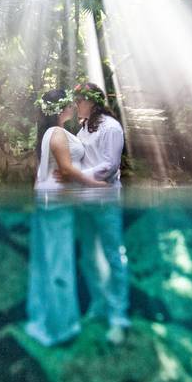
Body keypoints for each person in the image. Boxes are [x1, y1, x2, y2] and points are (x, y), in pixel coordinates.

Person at [24, 89, 107, 347]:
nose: (74, 106)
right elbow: (67, 168)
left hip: (51, 200)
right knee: (59, 262)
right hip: (57, 203)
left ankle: (43, 320)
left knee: (45, 261)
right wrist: (94, 184)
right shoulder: (57, 133)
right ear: (63, 108)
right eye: (70, 104)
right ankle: (61, 327)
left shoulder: (51, 132)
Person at [69, 82, 130, 345]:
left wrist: (77, 176)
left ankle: (118, 317)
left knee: (113, 257)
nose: (75, 105)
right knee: (88, 259)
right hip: (84, 202)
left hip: (105, 202)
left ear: (91, 101)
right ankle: (99, 305)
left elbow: (110, 165)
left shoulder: (111, 127)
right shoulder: (82, 128)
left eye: (78, 100)